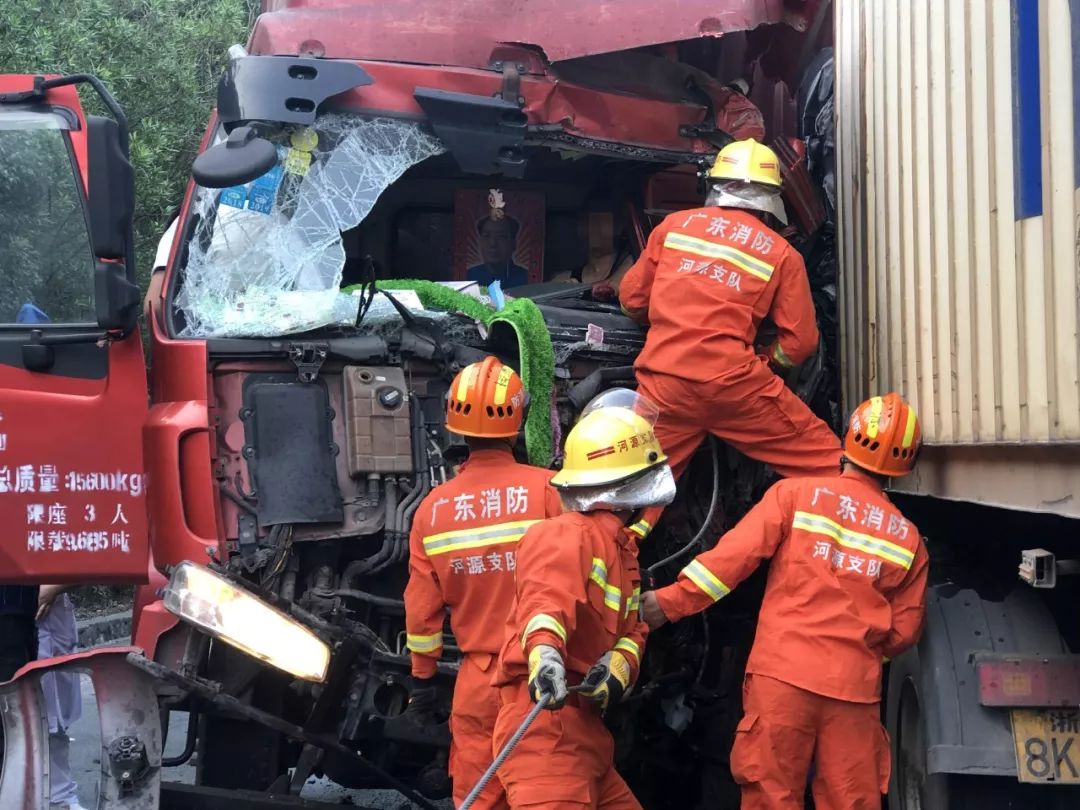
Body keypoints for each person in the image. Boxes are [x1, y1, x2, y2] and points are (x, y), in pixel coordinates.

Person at [640, 393, 929, 810]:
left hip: (781, 677)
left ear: (848, 438)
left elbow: (729, 563)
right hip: (852, 690)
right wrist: (855, 653)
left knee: (770, 794)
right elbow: (904, 630)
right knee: (852, 800)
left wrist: (667, 603)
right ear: (905, 465)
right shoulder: (908, 539)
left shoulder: (794, 496)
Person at [618, 138, 841, 540]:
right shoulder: (781, 253)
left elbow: (633, 300)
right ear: (772, 197)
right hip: (734, 387)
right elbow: (801, 342)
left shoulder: (672, 228)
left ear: (714, 185)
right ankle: (837, 549)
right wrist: (767, 362)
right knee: (828, 462)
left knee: (637, 492)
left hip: (663, 387)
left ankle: (624, 552)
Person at [492, 389, 675, 809]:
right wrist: (545, 655)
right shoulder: (566, 534)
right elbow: (545, 602)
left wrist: (620, 664)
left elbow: (633, 630)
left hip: (585, 734)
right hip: (546, 730)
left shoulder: (621, 550)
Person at [404, 357, 562, 809]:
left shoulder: (431, 510)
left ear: (454, 426)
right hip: (540, 673)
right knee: (546, 788)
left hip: (476, 684)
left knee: (477, 795)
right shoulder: (550, 491)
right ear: (518, 422)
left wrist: (423, 679)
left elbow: (421, 611)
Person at [37, 585, 87, 810]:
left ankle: (61, 795)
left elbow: (87, 558)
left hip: (51, 612)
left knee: (52, 714)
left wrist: (53, 589)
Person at [467, 216, 529, 288]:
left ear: (513, 243)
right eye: (487, 236)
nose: (493, 243)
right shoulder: (468, 277)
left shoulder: (527, 279)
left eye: (501, 236)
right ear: (480, 242)